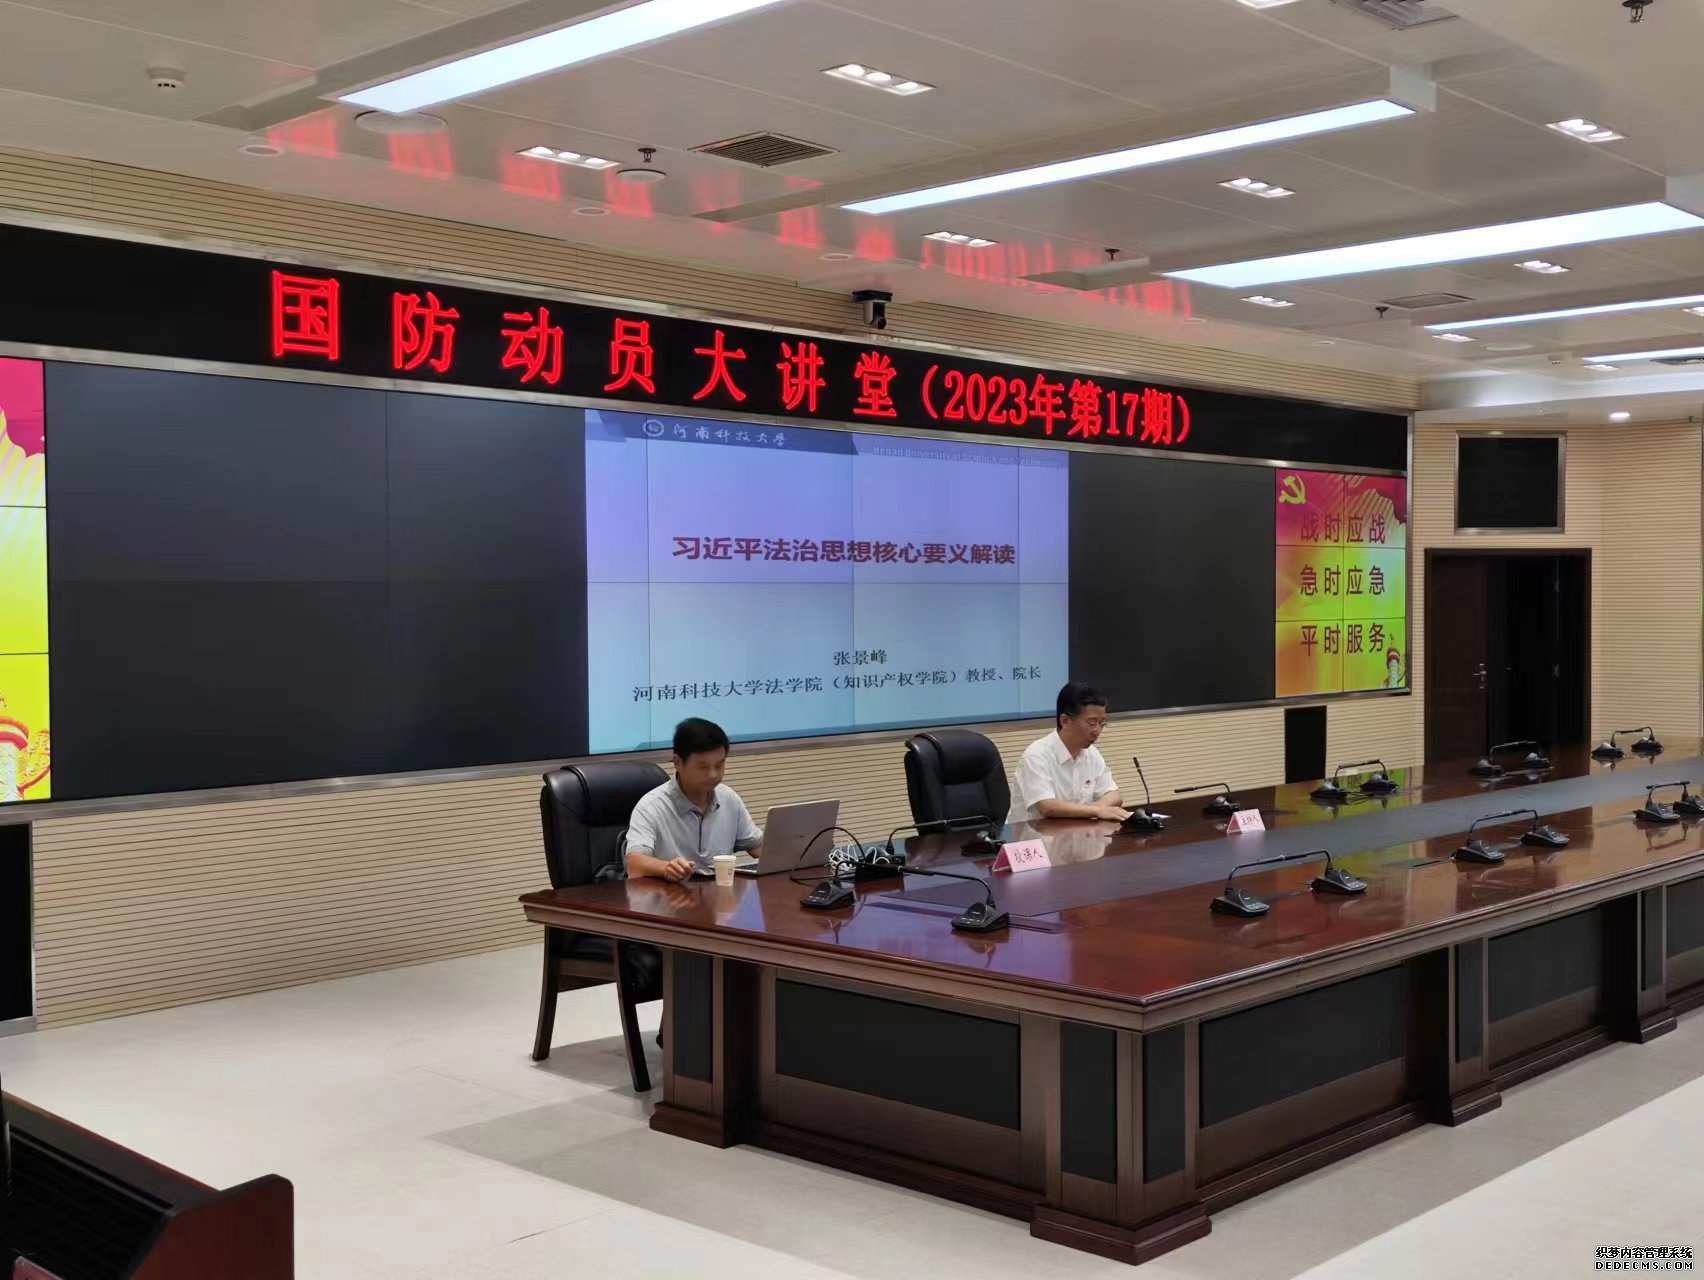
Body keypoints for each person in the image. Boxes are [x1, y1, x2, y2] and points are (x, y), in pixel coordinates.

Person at [625, 717, 763, 882]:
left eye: (719, 765)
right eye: (703, 767)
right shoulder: (651, 807)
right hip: (671, 895)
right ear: (677, 762)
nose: (713, 774)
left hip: (718, 895)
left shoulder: (728, 798)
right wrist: (666, 868)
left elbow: (758, 847)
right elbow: (634, 864)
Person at [1010, 682, 1126, 823]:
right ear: (1065, 721)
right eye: (1092, 723)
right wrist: (1097, 811)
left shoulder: (1092, 754)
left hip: (1076, 832)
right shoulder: (1036, 756)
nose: (1097, 731)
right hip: (1034, 834)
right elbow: (1047, 807)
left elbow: (1114, 795)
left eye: (1102, 724)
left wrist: (1097, 809)